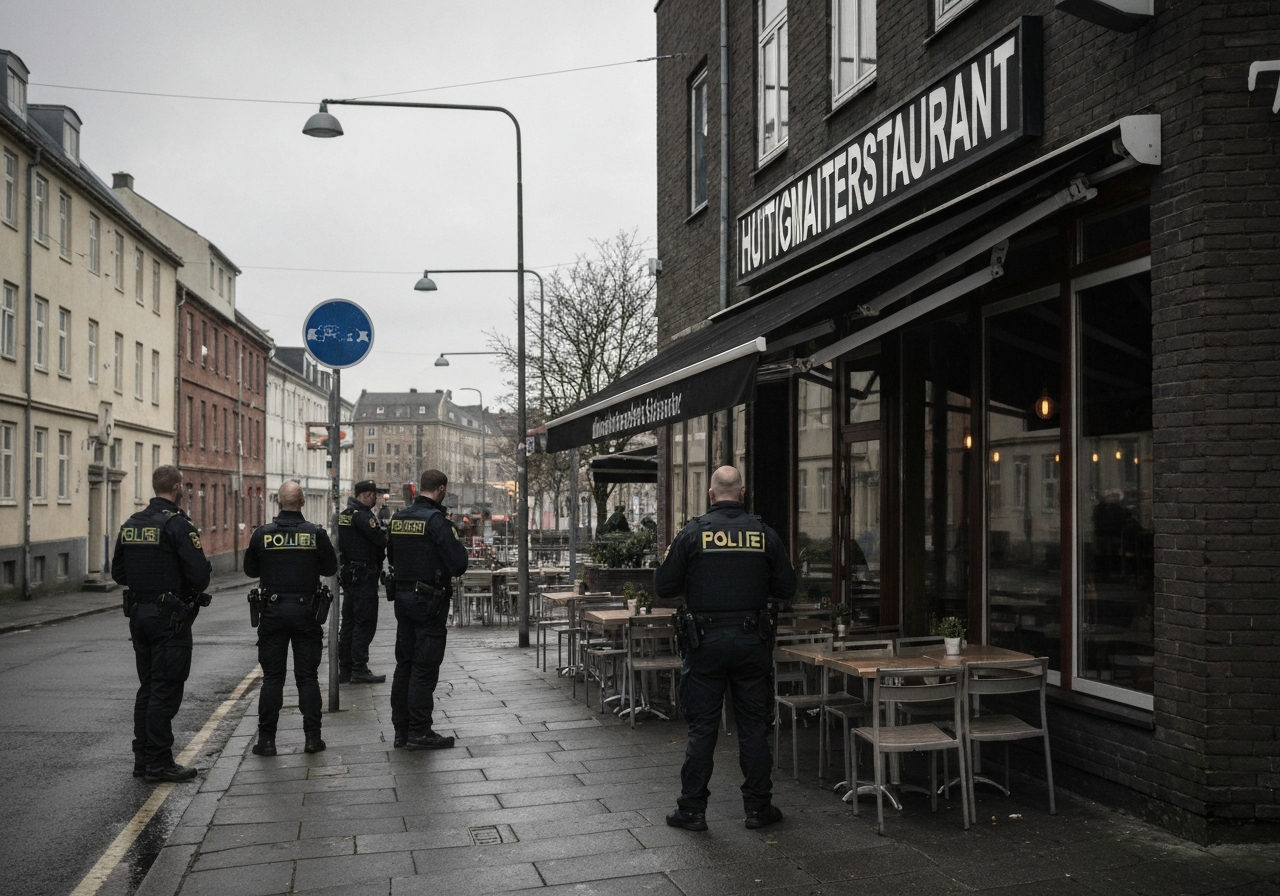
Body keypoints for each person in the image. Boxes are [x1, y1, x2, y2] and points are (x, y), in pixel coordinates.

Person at [655, 465, 796, 832]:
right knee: (753, 727)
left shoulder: (692, 533)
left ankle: (692, 811)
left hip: (705, 642)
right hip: (752, 642)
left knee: (702, 728)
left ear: (712, 494)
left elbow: (664, 587)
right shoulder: (764, 534)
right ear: (743, 492)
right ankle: (757, 809)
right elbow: (787, 588)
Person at [111, 464, 212, 783]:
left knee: (149, 687)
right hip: (169, 618)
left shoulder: (131, 523)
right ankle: (158, 762)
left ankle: (143, 758)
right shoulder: (178, 525)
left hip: (139, 615)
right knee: (165, 690)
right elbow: (200, 576)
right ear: (178, 488)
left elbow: (119, 574)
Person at [243, 481, 338, 756]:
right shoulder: (315, 534)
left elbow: (250, 570)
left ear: (278, 501)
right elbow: (331, 567)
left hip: (272, 611)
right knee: (307, 677)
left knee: (272, 678)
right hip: (306, 611)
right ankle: (312, 739)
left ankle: (267, 741)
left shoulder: (263, 534)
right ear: (303, 501)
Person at [387, 469, 469, 750]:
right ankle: (420, 731)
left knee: (404, 665)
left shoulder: (398, 518)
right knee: (424, 667)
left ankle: (401, 730)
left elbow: (391, 556)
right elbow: (458, 563)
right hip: (429, 602)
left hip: (402, 597)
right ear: (442, 489)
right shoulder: (436, 521)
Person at [337, 480, 388, 684]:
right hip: (364, 574)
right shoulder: (364, 517)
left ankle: (345, 669)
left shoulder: (345, 515)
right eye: (374, 495)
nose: (375, 498)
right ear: (365, 495)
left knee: (348, 622)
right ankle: (359, 668)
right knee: (364, 622)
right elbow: (380, 540)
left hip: (350, 574)